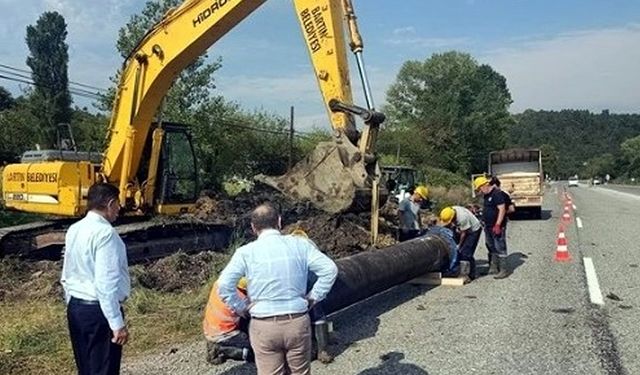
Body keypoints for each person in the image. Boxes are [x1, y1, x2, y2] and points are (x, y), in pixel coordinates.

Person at [217, 203, 338, 375]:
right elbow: (330, 269)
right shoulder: (300, 245)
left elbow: (223, 285)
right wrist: (314, 297)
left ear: (253, 227)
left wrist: (241, 307)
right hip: (297, 322)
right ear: (279, 222)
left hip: (263, 325)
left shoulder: (245, 252)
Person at [61, 183, 131, 375]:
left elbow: (67, 273)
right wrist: (116, 323)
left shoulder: (74, 229)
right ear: (110, 203)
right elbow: (105, 284)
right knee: (103, 370)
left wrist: (72, 302)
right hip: (98, 312)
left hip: (76, 308)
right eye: (118, 204)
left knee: (86, 369)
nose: (119, 209)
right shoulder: (106, 234)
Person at [203, 278, 253, 365]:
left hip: (211, 328)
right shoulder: (239, 299)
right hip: (225, 334)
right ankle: (223, 351)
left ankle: (216, 344)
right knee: (261, 350)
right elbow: (254, 314)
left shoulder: (220, 282)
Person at [474, 176, 509, 279]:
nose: (479, 191)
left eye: (479, 188)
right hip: (488, 226)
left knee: (500, 246)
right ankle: (493, 267)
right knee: (490, 245)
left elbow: (502, 209)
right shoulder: (486, 196)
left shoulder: (496, 194)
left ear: (484, 185)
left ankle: (503, 270)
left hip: (496, 226)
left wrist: (498, 224)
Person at [439, 206, 483, 282]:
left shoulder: (462, 217)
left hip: (473, 230)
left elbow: (464, 233)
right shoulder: (450, 211)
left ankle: (470, 275)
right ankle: (456, 269)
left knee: (466, 252)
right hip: (463, 229)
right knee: (458, 250)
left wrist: (459, 244)